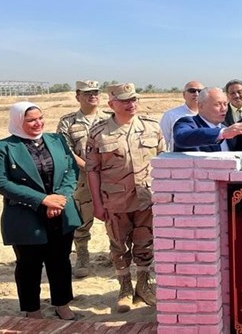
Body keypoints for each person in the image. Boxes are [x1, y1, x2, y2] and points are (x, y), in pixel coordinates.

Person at [0, 102, 82, 320]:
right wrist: (43, 200)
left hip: (60, 212)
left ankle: (62, 304)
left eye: (40, 118)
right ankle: (32, 310)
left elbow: (71, 170)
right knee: (28, 264)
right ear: (17, 121)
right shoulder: (2, 148)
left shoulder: (57, 140)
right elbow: (1, 182)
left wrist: (59, 199)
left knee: (60, 261)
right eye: (30, 120)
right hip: (26, 215)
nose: (37, 123)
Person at [85, 83, 166, 313]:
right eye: (125, 101)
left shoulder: (152, 127)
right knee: (118, 246)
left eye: (133, 99)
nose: (131, 104)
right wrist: (97, 204)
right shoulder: (99, 132)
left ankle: (143, 285)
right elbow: (92, 170)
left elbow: (163, 162)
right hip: (115, 201)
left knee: (145, 243)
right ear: (112, 104)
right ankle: (125, 288)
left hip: (147, 198)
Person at [57, 80, 111, 279]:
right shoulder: (68, 121)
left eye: (95, 92)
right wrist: (88, 167)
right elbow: (65, 150)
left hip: (109, 176)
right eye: (87, 93)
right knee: (82, 217)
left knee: (113, 215)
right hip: (82, 178)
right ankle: (82, 255)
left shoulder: (110, 118)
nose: (92, 96)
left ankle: (115, 252)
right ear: (77, 96)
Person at [173, 87, 242, 152]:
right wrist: (222, 133)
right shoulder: (188, 122)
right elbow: (181, 138)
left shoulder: (228, 130)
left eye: (225, 104)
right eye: (217, 104)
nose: (223, 109)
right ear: (201, 106)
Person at [159, 80, 204, 151]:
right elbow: (163, 143)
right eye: (192, 91)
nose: (196, 94)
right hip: (179, 157)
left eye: (200, 91)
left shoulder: (212, 115)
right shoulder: (171, 115)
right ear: (184, 95)